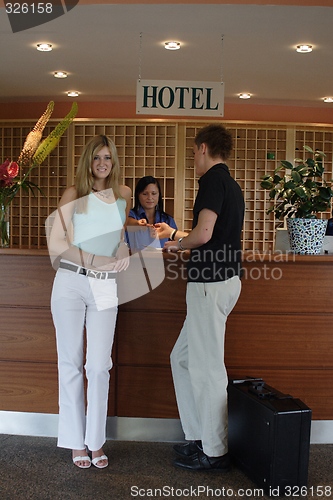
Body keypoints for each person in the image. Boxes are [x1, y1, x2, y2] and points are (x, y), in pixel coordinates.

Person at [156, 123, 244, 471]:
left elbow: (204, 234)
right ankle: (199, 436)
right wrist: (177, 232)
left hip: (210, 282)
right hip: (223, 281)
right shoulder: (231, 184)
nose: (193, 157)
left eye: (193, 151)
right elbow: (216, 231)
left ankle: (216, 452)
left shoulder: (211, 181)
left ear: (204, 148)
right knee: (181, 358)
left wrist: (176, 243)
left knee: (207, 368)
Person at [48, 135, 131, 469]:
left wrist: (123, 247)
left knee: (98, 366)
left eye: (108, 157)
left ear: (114, 161)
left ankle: (95, 441)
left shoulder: (123, 193)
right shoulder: (73, 194)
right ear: (88, 160)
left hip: (105, 286)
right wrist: (92, 260)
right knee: (69, 363)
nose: (102, 163)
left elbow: (118, 235)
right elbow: (58, 244)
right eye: (97, 157)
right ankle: (74, 441)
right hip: (70, 281)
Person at [126, 175, 177, 251]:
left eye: (154, 193)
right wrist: (137, 223)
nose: (150, 197)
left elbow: (177, 243)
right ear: (138, 195)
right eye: (145, 194)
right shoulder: (131, 215)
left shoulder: (167, 220)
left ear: (159, 195)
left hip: (163, 261)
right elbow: (127, 222)